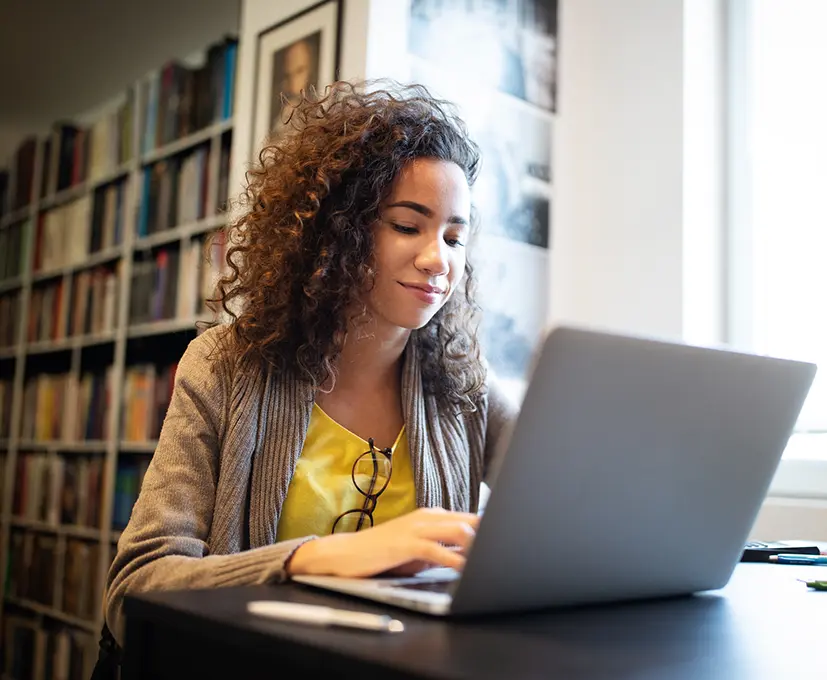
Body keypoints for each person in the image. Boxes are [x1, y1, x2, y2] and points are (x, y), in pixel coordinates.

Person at [98, 80, 518, 655]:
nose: (437, 260)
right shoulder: (225, 364)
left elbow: (577, 501)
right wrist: (313, 558)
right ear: (336, 229)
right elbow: (135, 588)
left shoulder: (464, 383)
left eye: (454, 236)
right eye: (406, 225)